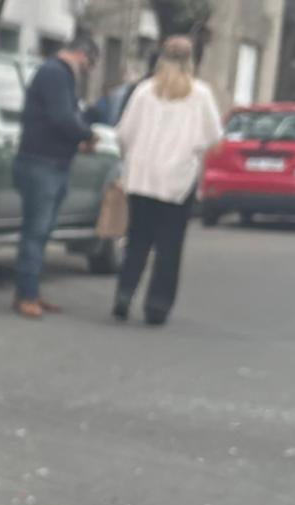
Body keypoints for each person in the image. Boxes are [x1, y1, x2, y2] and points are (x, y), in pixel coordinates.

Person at [112, 35, 223, 326]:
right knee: (169, 247)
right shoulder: (200, 95)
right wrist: (192, 150)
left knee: (137, 240)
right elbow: (214, 137)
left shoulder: (144, 91)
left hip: (142, 177)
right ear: (191, 61)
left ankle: (124, 294)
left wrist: (132, 157)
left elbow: (123, 133)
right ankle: (157, 305)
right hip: (177, 180)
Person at [13, 33, 99, 319]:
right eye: (90, 65)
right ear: (83, 55)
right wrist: (87, 136)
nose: (87, 72)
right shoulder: (55, 74)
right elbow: (62, 117)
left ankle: (31, 291)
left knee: (42, 230)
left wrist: (79, 138)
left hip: (53, 162)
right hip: (41, 163)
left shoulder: (58, 75)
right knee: (36, 231)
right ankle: (26, 294)